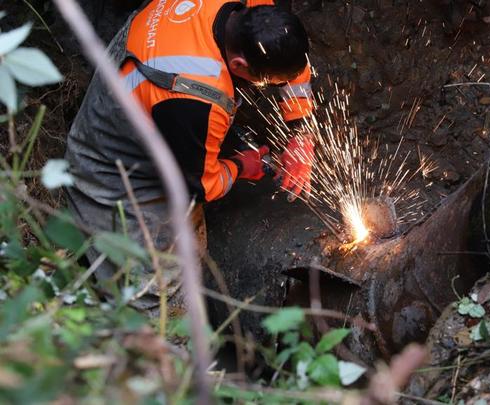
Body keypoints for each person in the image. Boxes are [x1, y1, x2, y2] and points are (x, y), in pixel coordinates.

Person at [64, 0, 315, 314]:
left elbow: (292, 61)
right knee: (158, 287)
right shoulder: (194, 103)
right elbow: (200, 185)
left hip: (148, 75)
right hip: (111, 168)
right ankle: (164, 349)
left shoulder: (252, 11)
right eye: (268, 83)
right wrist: (241, 166)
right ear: (238, 65)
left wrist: (302, 131)